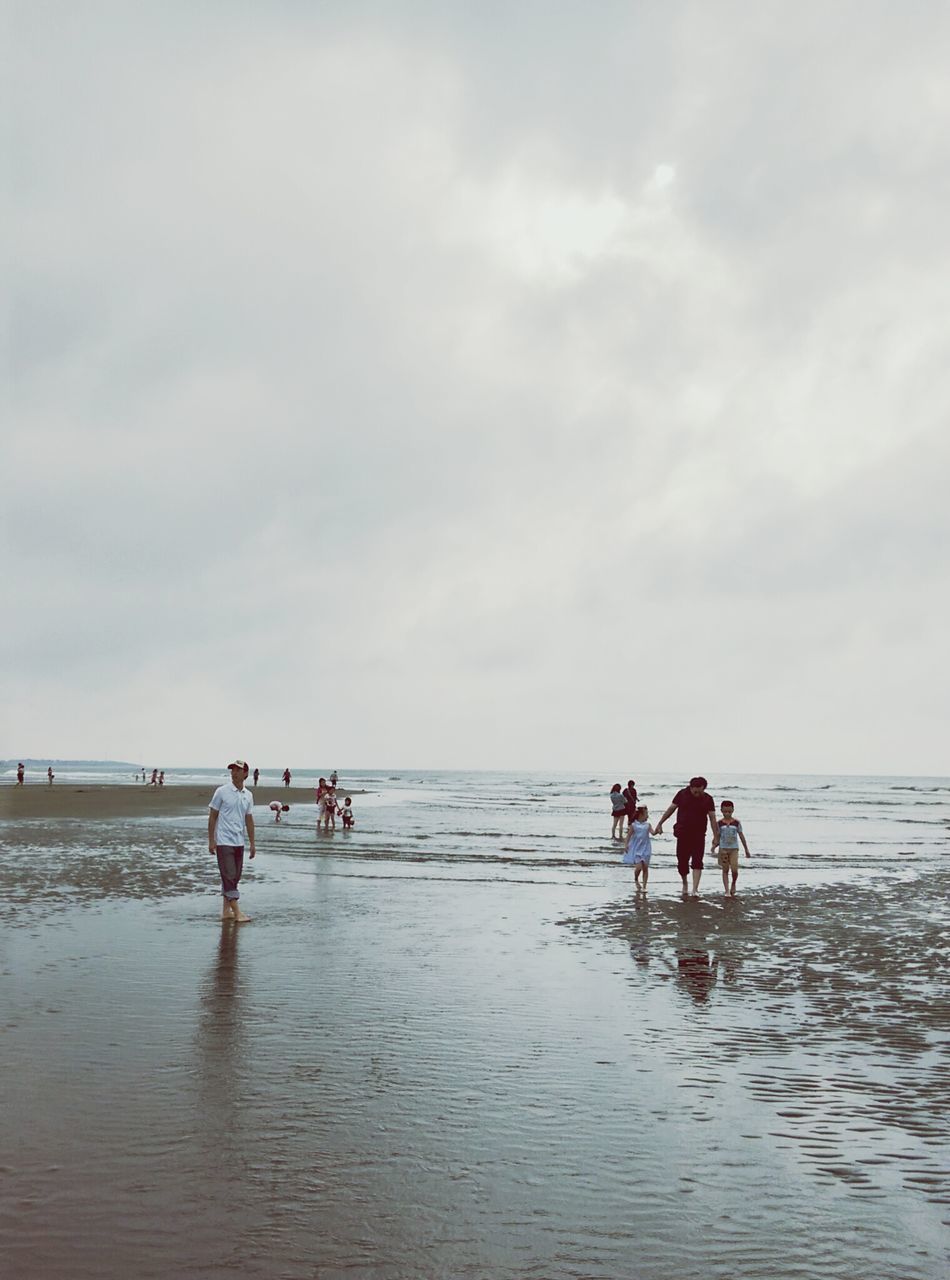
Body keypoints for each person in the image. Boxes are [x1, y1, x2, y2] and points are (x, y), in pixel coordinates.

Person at [208, 758, 256, 923]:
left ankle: (225, 911)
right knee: (228, 875)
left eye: (237, 770)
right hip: (223, 841)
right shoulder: (222, 791)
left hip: (239, 842)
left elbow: (249, 820)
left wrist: (253, 843)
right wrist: (211, 840)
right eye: (232, 770)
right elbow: (213, 815)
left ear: (245, 774)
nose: (234, 773)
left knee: (234, 877)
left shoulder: (248, 795)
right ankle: (237, 913)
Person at [654, 776, 718, 896]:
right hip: (683, 833)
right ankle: (685, 883)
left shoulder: (708, 799)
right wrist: (660, 823)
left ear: (704, 788)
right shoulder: (682, 794)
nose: (697, 793)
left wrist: (716, 836)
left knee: (697, 861)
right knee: (682, 862)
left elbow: (712, 818)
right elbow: (671, 809)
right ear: (691, 787)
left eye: (700, 791)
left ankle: (695, 889)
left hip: (699, 834)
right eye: (695, 791)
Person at [712, 800, 751, 897]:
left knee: (734, 870)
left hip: (734, 849)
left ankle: (733, 883)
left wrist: (746, 849)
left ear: (733, 810)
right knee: (725, 870)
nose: (727, 814)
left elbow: (741, 836)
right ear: (721, 810)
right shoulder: (719, 823)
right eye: (725, 812)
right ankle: (726, 890)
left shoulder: (736, 823)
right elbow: (717, 836)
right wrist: (713, 846)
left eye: (729, 812)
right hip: (723, 849)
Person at [623, 805, 655, 892]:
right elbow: (628, 836)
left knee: (645, 867)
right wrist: (626, 845)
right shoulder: (634, 825)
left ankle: (644, 886)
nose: (647, 816)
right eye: (646, 814)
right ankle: (636, 879)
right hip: (637, 848)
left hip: (646, 848)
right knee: (638, 868)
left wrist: (658, 830)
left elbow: (653, 833)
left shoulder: (648, 825)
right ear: (641, 815)